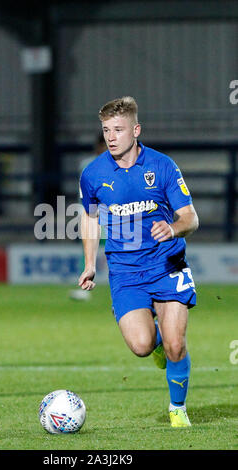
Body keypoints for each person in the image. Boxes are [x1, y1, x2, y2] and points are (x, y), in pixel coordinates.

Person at [78, 96, 199, 427]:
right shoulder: (93, 173)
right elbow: (89, 219)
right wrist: (90, 263)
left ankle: (177, 409)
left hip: (166, 265)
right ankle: (156, 343)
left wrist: (172, 228)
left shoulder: (162, 166)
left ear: (136, 130)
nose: (111, 137)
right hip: (125, 272)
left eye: (118, 129)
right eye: (106, 130)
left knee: (177, 344)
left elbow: (191, 218)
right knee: (143, 346)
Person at [69, 133, 107, 301]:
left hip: (113, 213)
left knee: (117, 248)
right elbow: (83, 191)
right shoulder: (87, 165)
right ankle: (84, 286)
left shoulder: (120, 164)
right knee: (87, 248)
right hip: (92, 211)